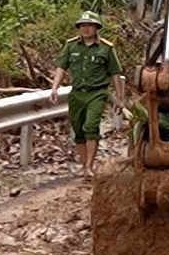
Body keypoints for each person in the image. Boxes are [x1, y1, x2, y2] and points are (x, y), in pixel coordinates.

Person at [49, 11, 124, 179]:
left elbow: (115, 74)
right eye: (83, 26)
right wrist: (55, 87)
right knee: (79, 130)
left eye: (89, 26)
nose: (86, 29)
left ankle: (90, 165)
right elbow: (61, 67)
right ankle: (84, 165)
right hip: (77, 93)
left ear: (97, 28)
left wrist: (120, 98)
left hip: (97, 93)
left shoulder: (106, 48)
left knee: (91, 126)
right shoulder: (71, 46)